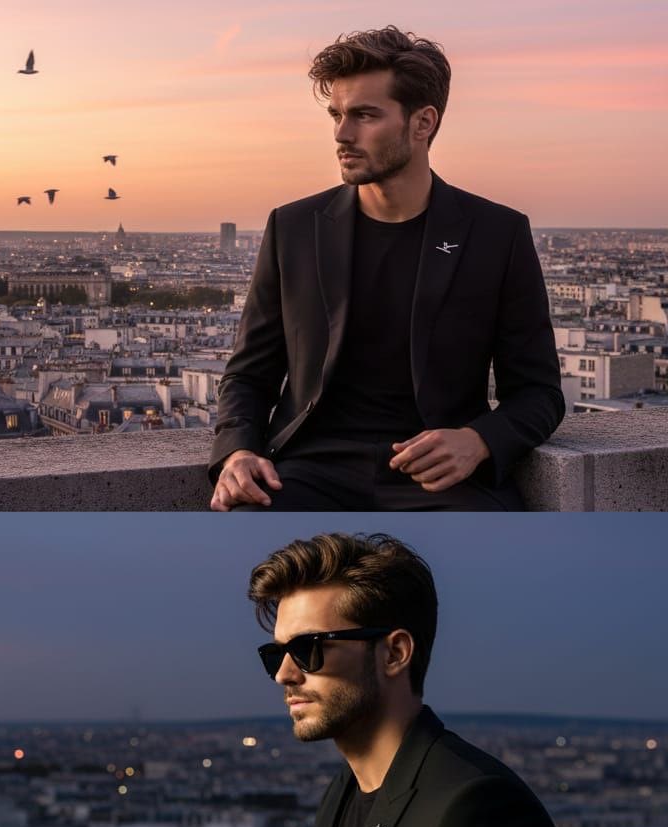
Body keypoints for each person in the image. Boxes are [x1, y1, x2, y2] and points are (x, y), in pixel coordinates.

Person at [80, 532, 574, 827]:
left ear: (395, 653)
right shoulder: (352, 787)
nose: (284, 675)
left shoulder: (477, 808)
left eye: (310, 649)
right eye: (277, 654)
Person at [209, 27, 565, 512]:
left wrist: (478, 440)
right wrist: (237, 451)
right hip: (309, 470)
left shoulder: (497, 234)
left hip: (439, 477)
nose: (341, 134)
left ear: (423, 123)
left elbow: (538, 391)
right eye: (336, 115)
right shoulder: (292, 227)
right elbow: (249, 374)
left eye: (365, 115)